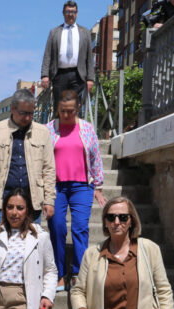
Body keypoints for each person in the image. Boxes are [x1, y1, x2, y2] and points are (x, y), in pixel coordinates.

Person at [46, 90, 106, 292]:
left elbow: (96, 158)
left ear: (78, 108)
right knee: (57, 228)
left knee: (80, 228)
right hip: (55, 187)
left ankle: (78, 274)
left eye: (70, 111)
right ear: (57, 109)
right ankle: (59, 274)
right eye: (63, 111)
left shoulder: (87, 129)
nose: (66, 115)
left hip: (82, 186)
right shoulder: (48, 130)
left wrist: (98, 186)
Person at [0, 89, 56, 225]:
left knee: (31, 244)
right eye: (23, 113)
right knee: (4, 244)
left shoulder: (43, 133)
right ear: (12, 109)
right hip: (4, 201)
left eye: (31, 113)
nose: (27, 117)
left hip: (32, 202)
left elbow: (49, 168)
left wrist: (49, 200)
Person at [40, 1, 95, 113]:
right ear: (63, 13)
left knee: (75, 105)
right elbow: (47, 55)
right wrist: (45, 75)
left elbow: (89, 57)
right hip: (59, 74)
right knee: (59, 106)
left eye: (73, 12)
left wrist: (90, 78)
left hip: (78, 75)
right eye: (68, 12)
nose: (70, 14)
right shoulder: (54, 32)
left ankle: (75, 130)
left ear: (77, 13)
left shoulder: (85, 33)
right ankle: (58, 129)